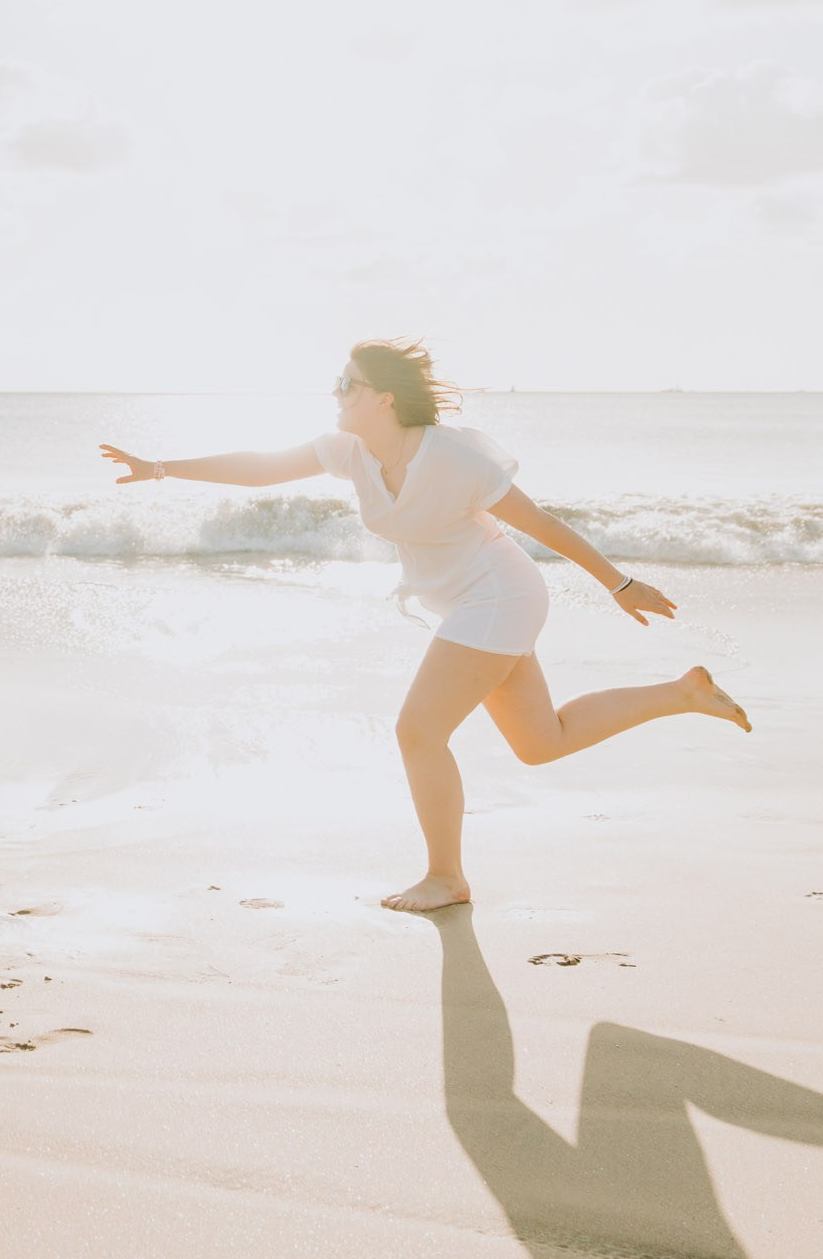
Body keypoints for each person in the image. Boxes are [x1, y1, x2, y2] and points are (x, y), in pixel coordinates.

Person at [101, 339, 747, 913]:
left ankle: (446, 876)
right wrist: (160, 466)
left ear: (383, 398)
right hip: (466, 600)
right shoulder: (347, 450)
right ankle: (683, 692)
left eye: (346, 385)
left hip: (498, 593)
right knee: (540, 742)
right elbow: (262, 466)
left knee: (418, 730)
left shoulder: (452, 456)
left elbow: (541, 525)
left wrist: (620, 582)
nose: (335, 394)